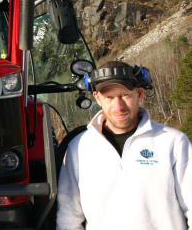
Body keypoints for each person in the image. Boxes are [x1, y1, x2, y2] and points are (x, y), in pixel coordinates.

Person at [56, 60, 191, 230]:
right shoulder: (79, 148)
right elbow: (68, 218)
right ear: (97, 98)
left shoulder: (173, 142)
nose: (118, 106)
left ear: (140, 94)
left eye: (125, 95)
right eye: (110, 97)